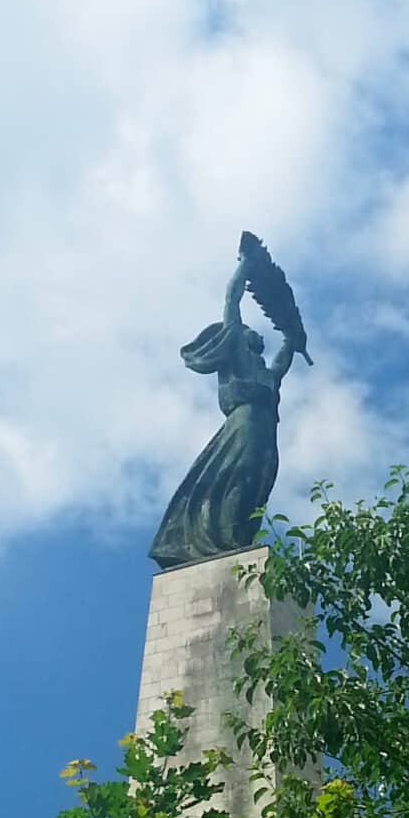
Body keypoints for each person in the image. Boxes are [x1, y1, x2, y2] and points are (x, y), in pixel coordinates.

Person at [149, 235, 302, 569]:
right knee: (241, 473)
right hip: (244, 422)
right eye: (253, 330)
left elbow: (282, 363)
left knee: (261, 477)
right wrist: (246, 264)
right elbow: (231, 302)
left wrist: (293, 339)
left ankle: (238, 537)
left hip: (265, 430)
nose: (258, 333)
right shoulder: (236, 350)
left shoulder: (265, 373)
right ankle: (225, 541)